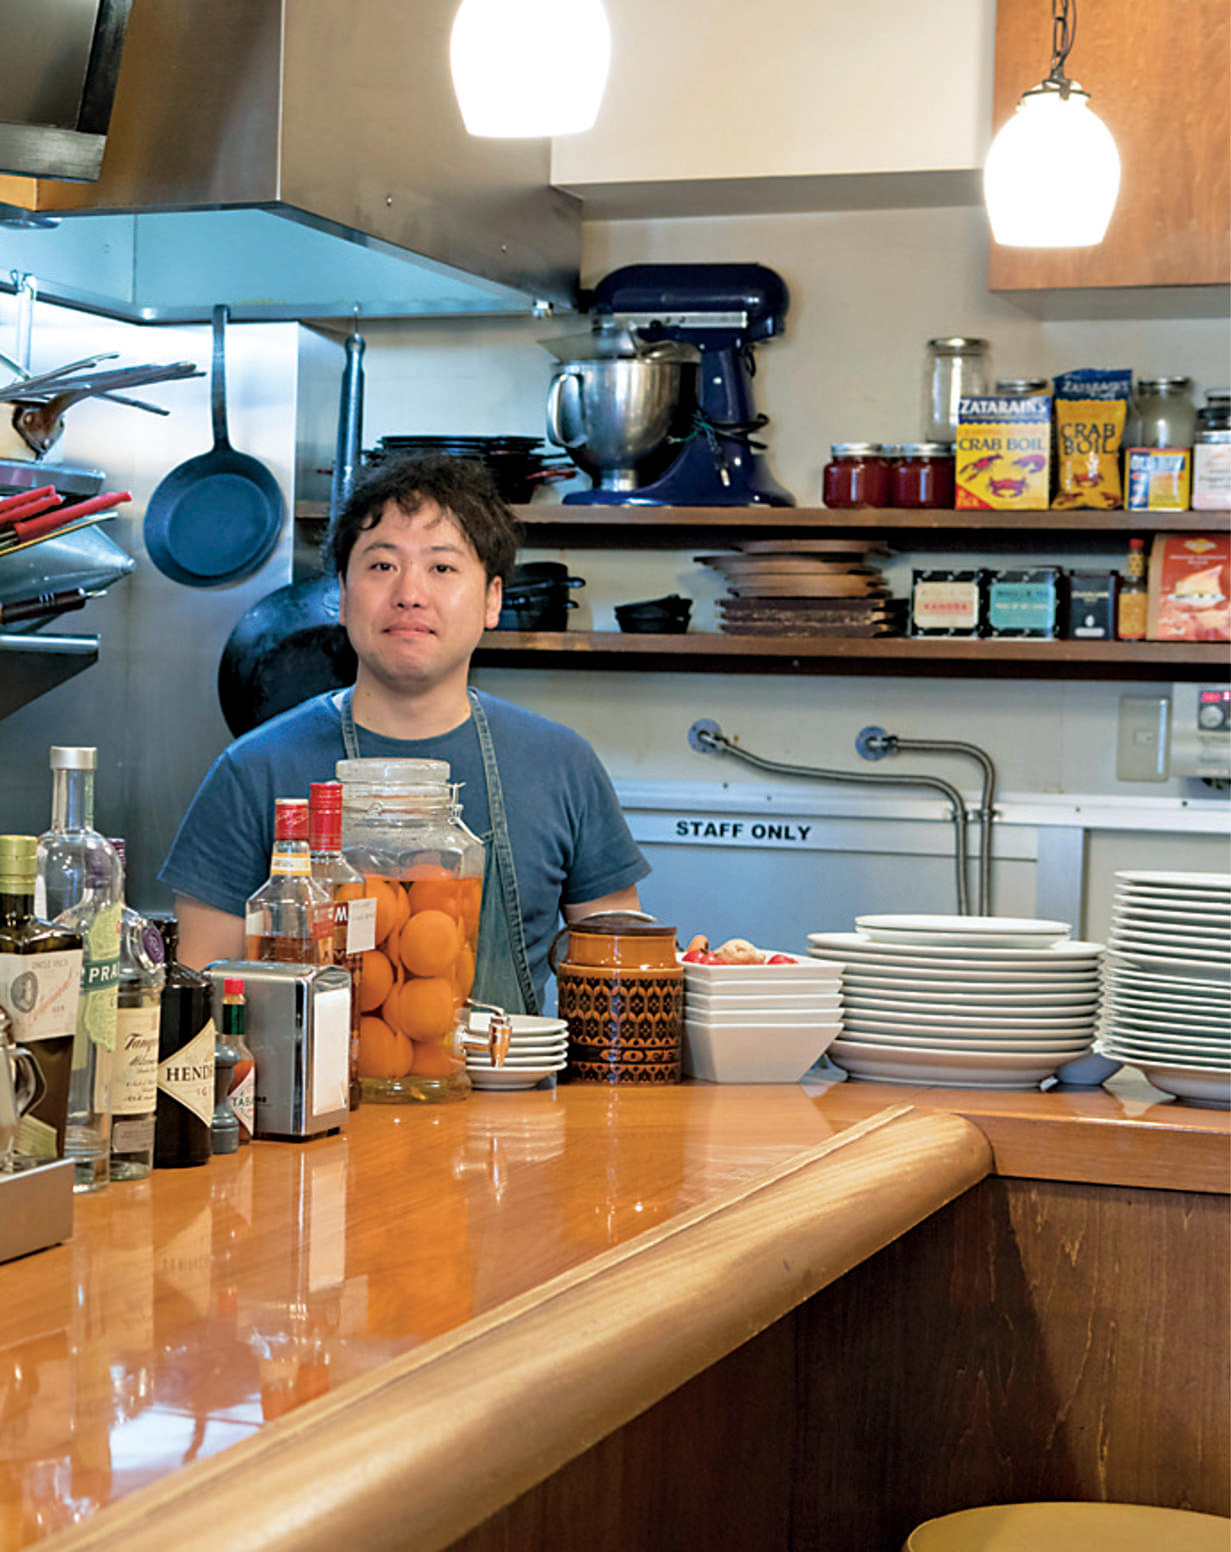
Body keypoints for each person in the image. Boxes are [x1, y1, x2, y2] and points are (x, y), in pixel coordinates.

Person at [159, 455, 649, 1013]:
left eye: (442, 568)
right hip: (307, 1100)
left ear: (492, 600)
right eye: (382, 566)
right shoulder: (253, 771)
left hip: (517, 1100)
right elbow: (201, 1005)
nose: (410, 594)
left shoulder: (562, 765)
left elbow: (622, 986)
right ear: (342, 596)